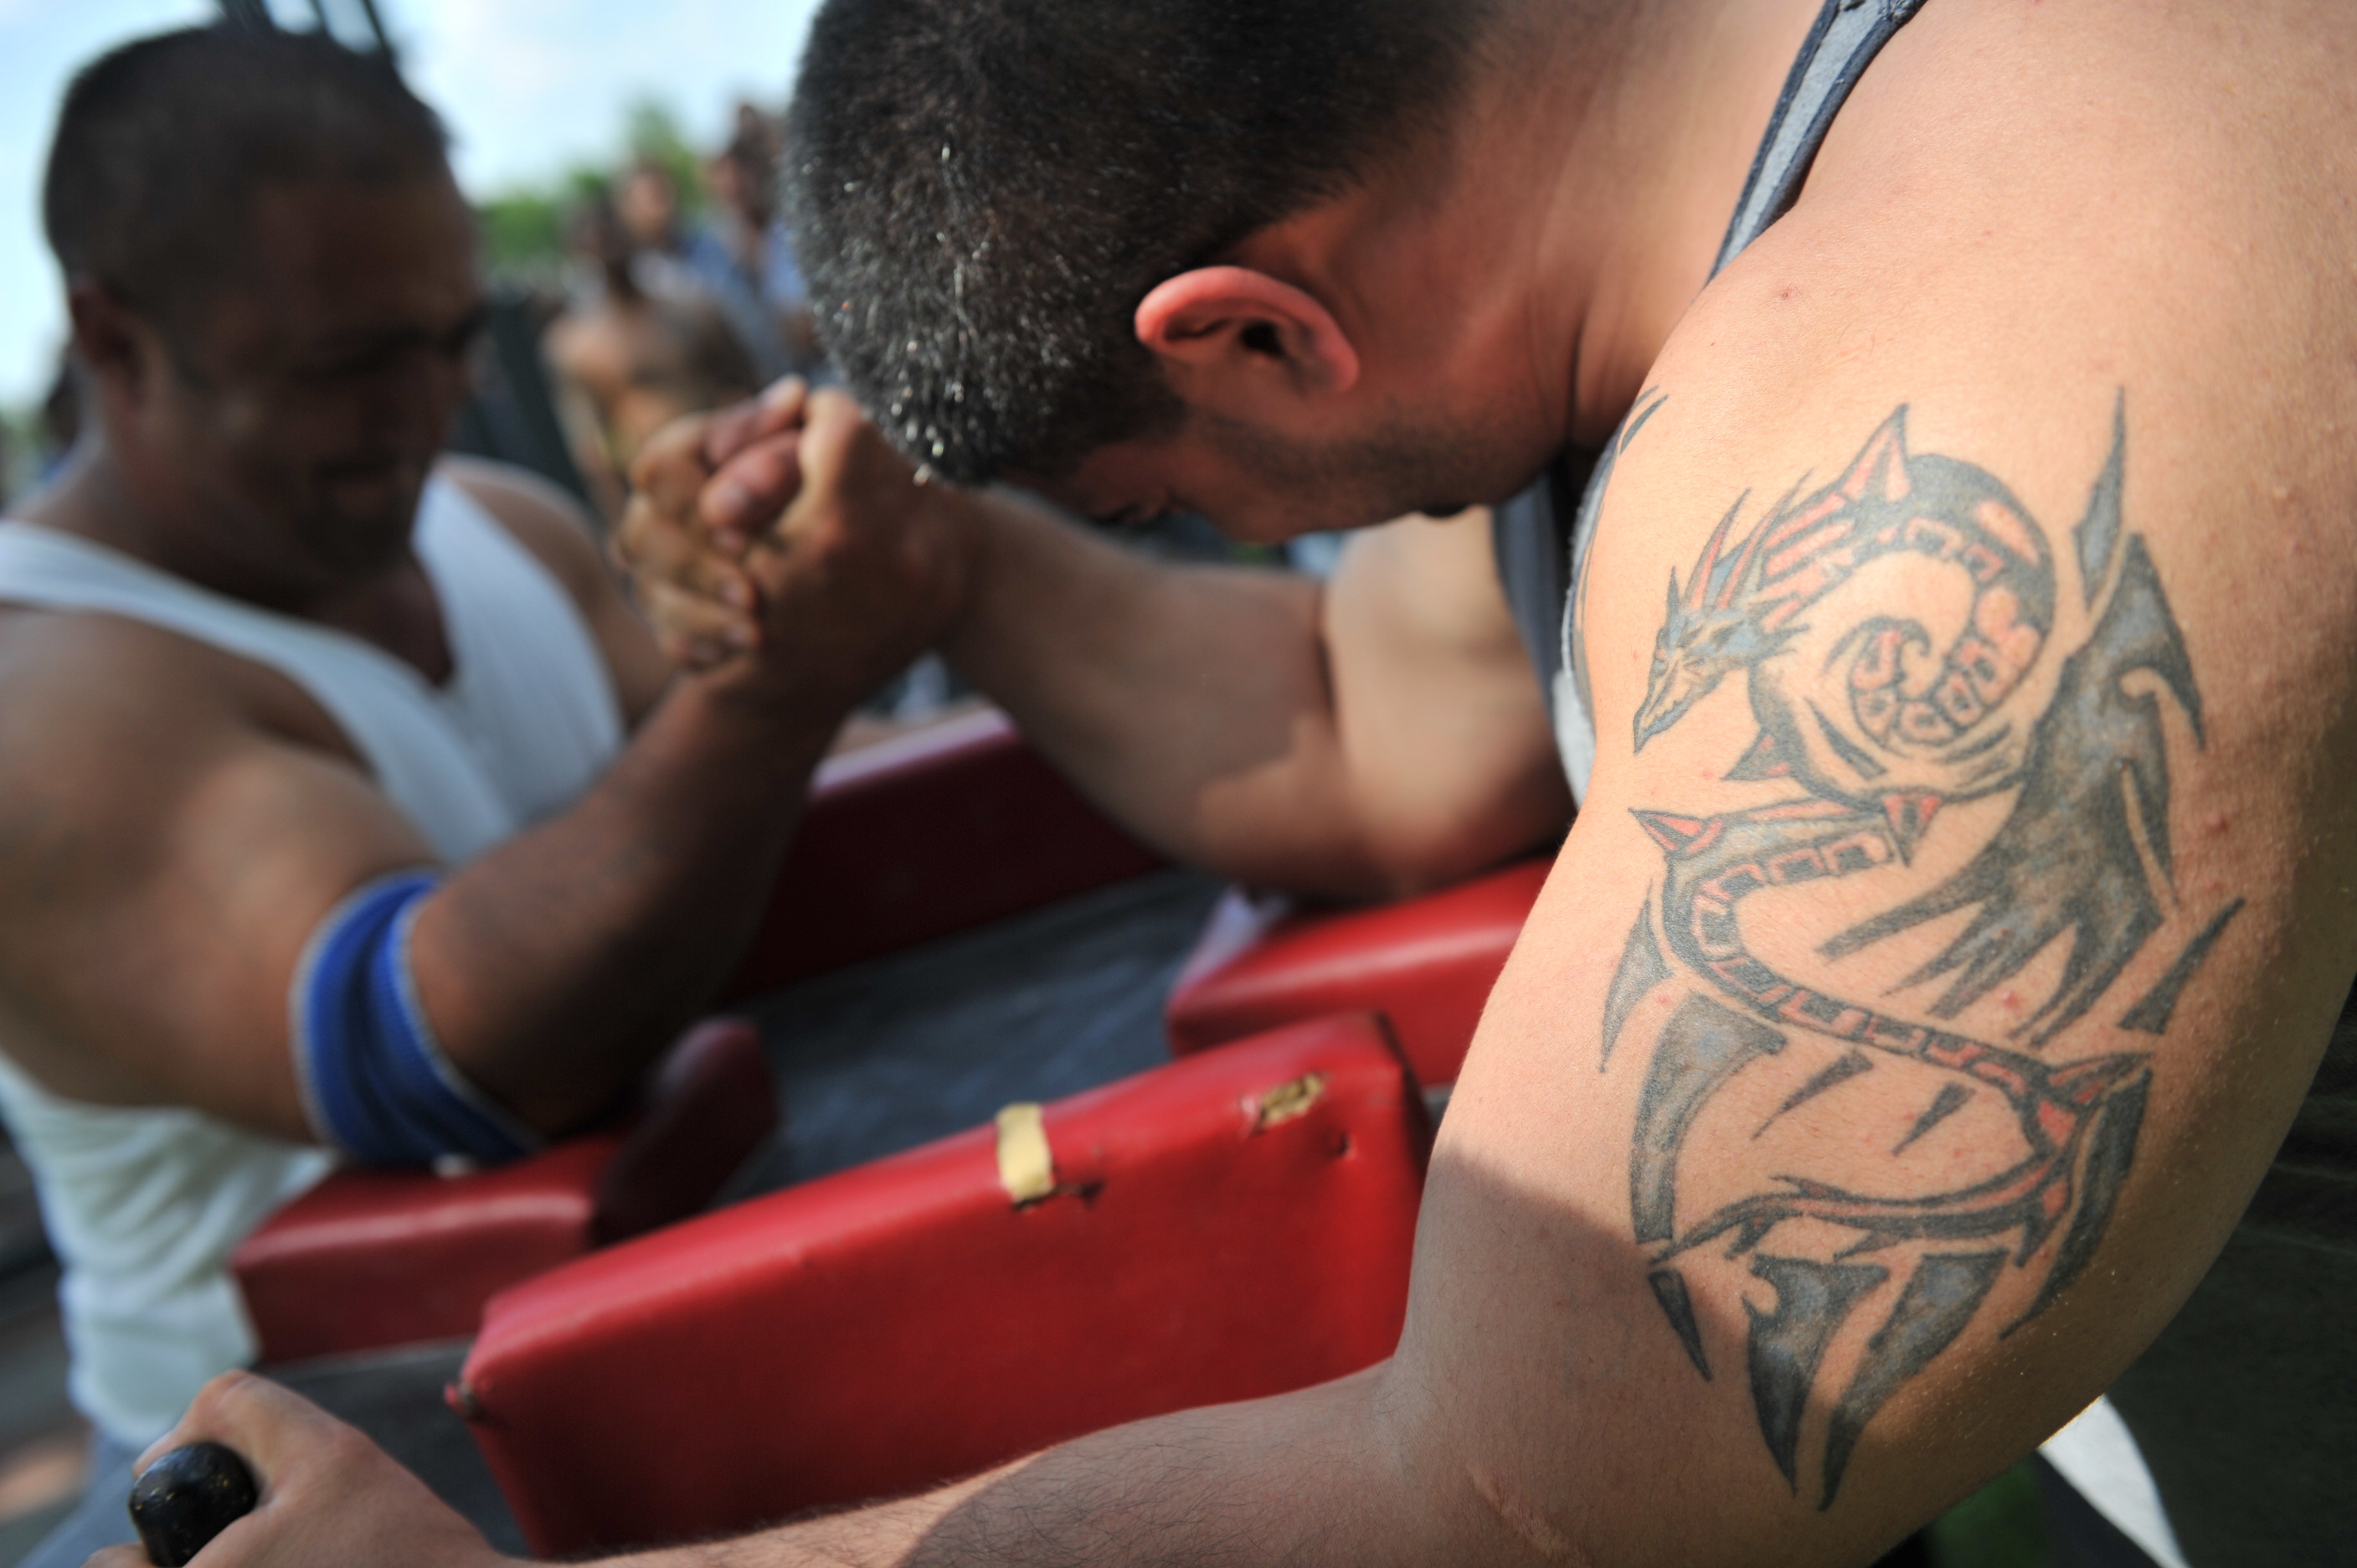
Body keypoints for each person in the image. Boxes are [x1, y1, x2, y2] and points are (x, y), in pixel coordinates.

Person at [132, 1, 2357, 1565]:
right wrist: (934, 567)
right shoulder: (1626, 256)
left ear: (1252, 333)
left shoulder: (2014, 366)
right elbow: (1368, 727)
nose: (1226, 532)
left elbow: (1511, 1508)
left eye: (1165, 498)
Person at [0, 28, 929, 1567]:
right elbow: (447, 1064)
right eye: (345, 366)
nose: (425, 405)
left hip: (653, 1355)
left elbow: (767, 820)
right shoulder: (36, 696)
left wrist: (843, 558)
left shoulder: (503, 527)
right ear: (116, 338)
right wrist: (780, 679)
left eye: (446, 339)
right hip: (283, 1495)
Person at [547, 187, 763, 520]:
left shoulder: (690, 308)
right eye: (595, 242)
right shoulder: (576, 345)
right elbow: (595, 452)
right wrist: (619, 518)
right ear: (579, 252)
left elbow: (747, 384)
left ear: (629, 233)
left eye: (611, 236)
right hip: (660, 492)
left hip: (728, 470)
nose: (607, 249)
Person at [682, 109, 821, 383]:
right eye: (724, 176)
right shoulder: (708, 253)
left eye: (741, 172)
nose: (735, 184)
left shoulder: (792, 227)